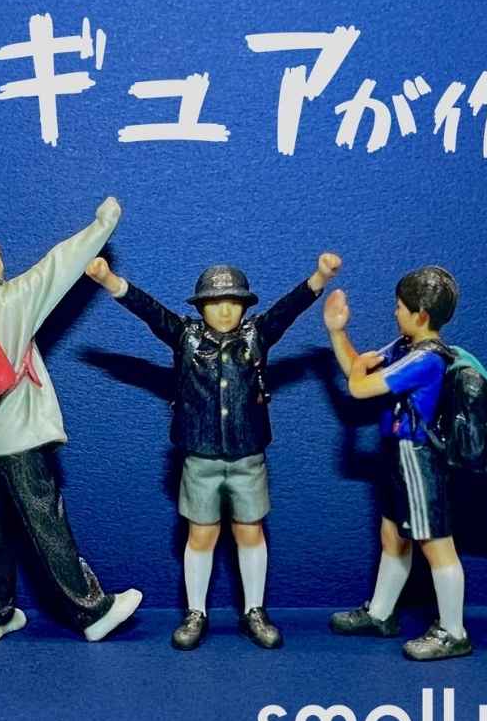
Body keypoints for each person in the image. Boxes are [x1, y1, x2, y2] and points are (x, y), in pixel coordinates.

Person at [83, 254, 341, 649]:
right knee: (201, 535)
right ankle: (195, 611)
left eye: (233, 302)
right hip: (200, 458)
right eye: (215, 302)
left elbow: (288, 309)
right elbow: (149, 311)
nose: (224, 310)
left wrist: (320, 277)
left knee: (250, 532)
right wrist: (109, 280)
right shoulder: (185, 336)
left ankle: (254, 610)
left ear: (245, 306)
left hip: (248, 457)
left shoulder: (257, 335)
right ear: (201, 306)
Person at [0, 198, 143, 642]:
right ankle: (92, 611)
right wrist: (102, 225)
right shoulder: (8, 301)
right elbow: (58, 265)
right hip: (18, 436)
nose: (2, 261)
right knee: (46, 520)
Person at [323, 265, 487, 661]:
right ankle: (380, 614)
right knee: (393, 536)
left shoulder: (426, 359)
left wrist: (357, 371)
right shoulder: (405, 347)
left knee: (435, 544)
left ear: (421, 315)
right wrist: (338, 332)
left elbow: (359, 385)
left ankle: (453, 631)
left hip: (418, 457)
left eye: (399, 307)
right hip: (397, 455)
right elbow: (359, 366)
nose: (395, 313)